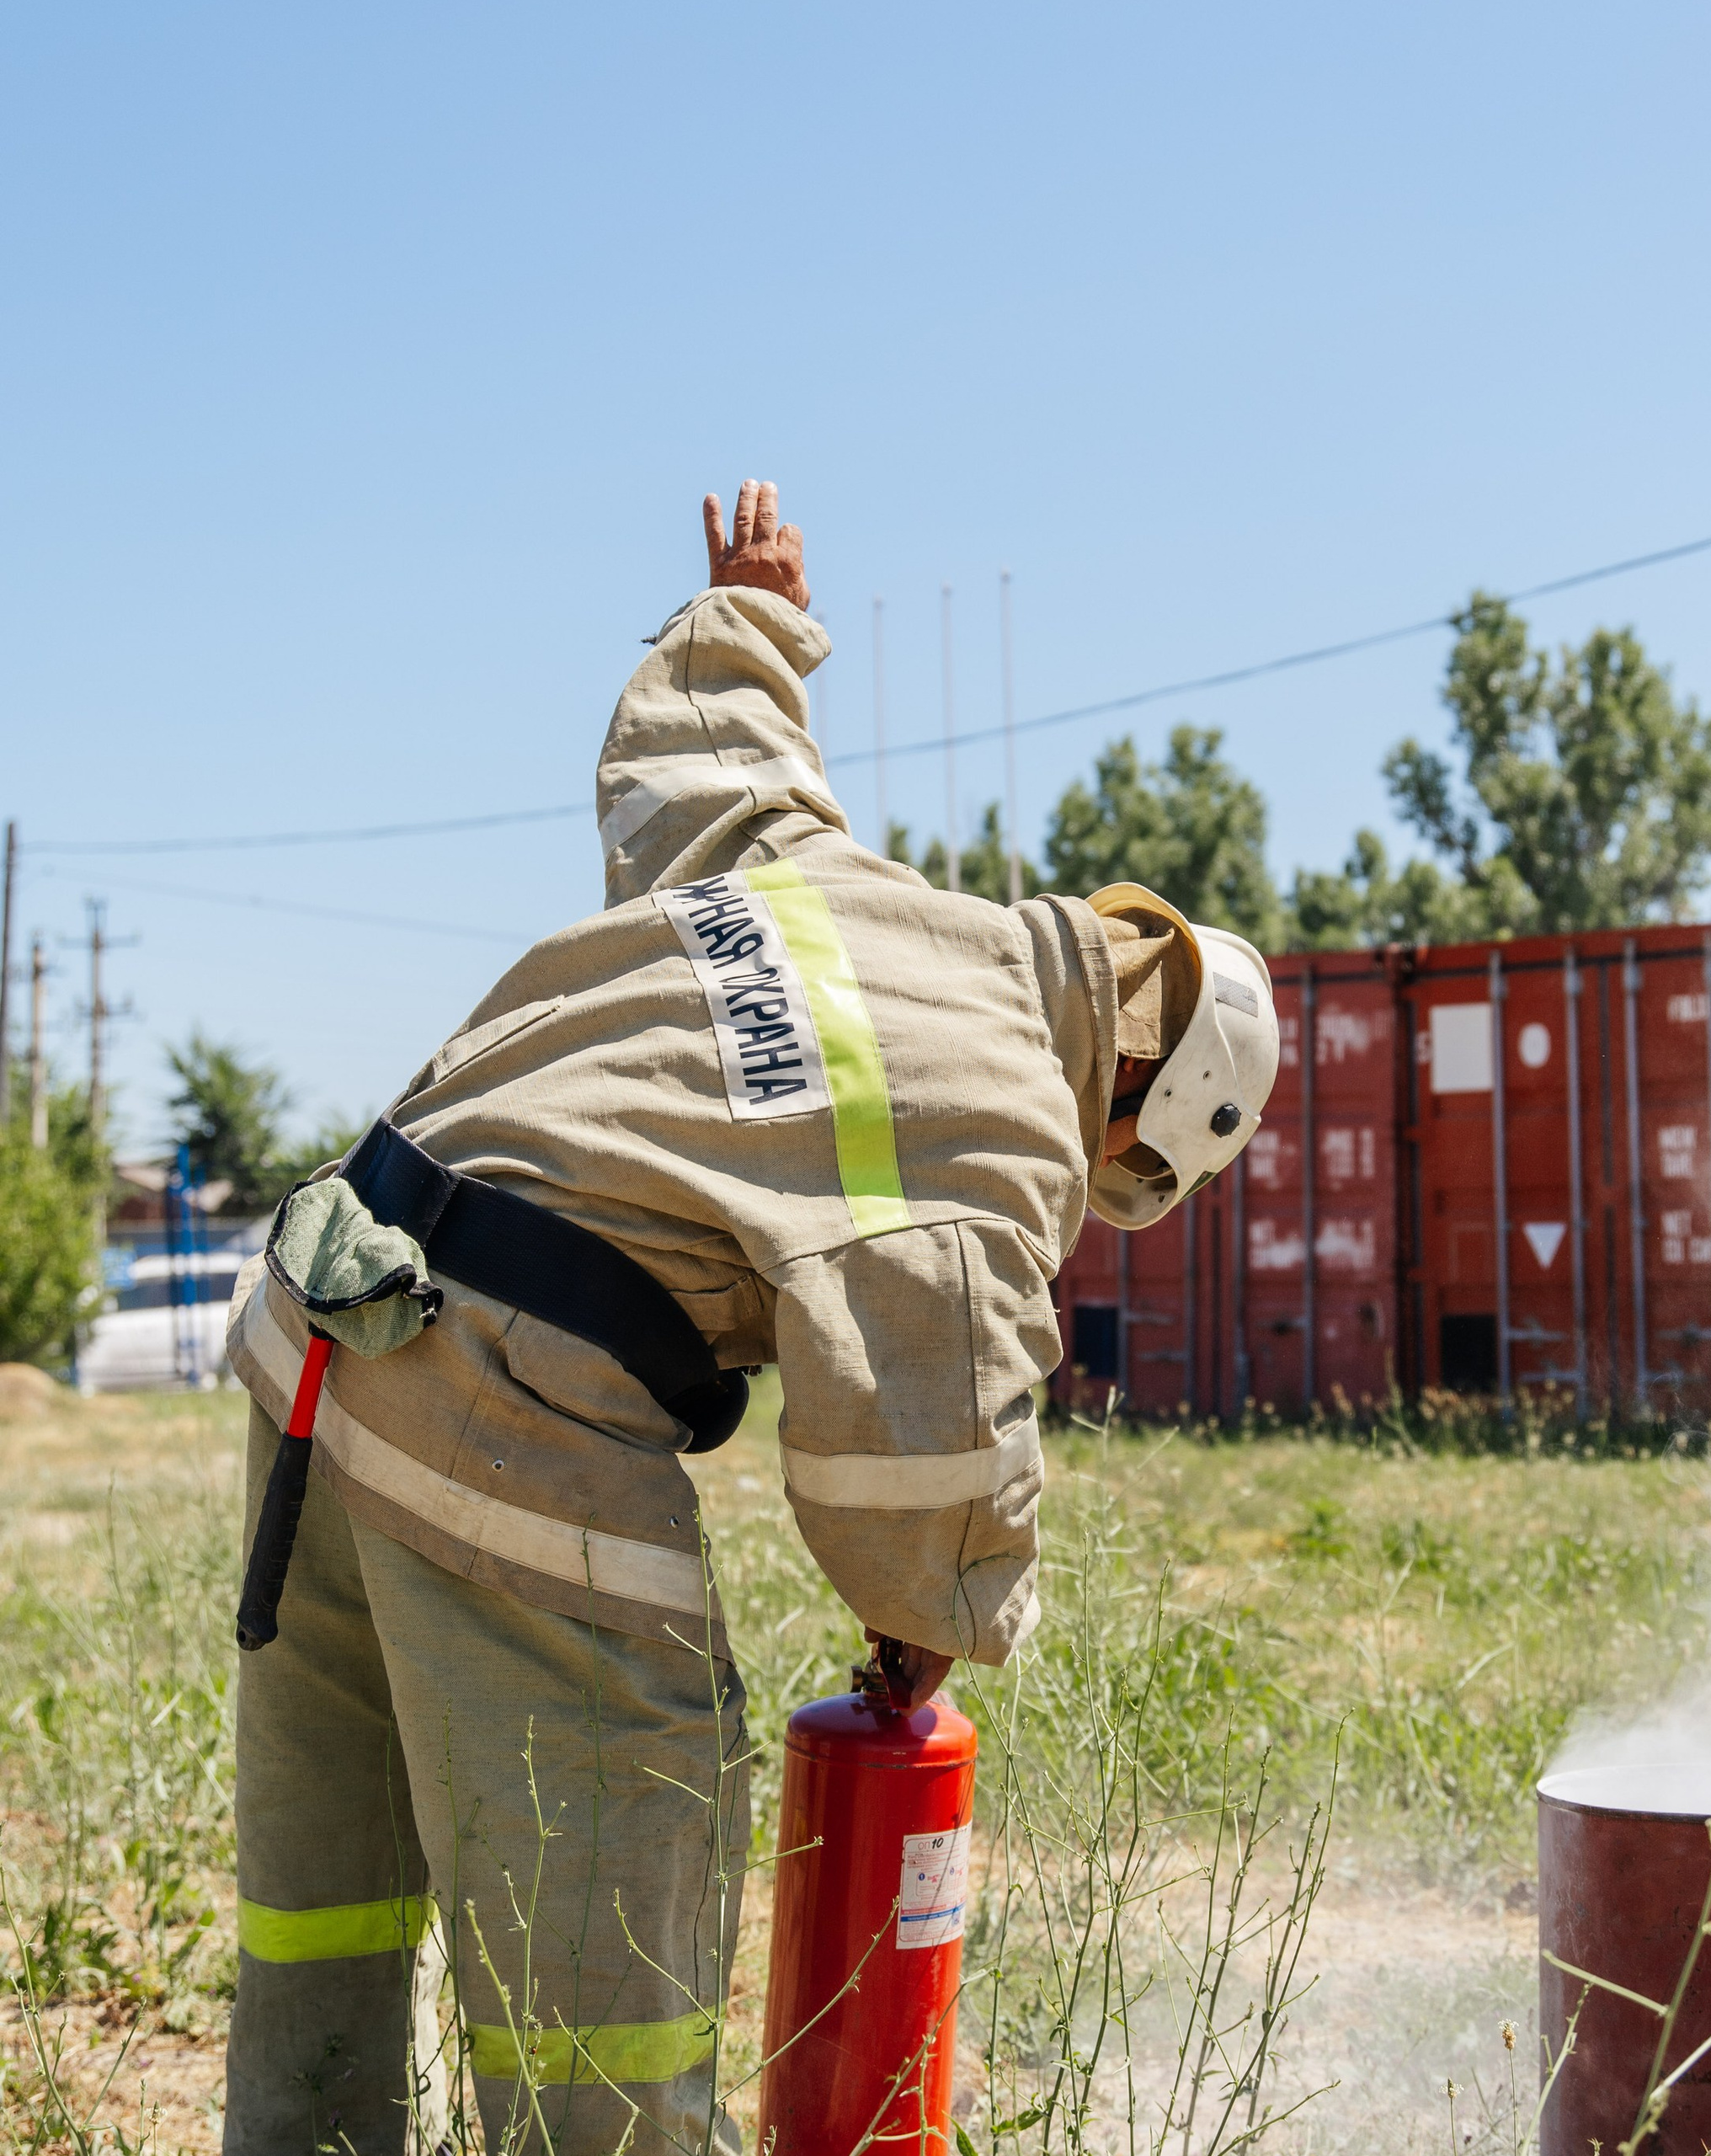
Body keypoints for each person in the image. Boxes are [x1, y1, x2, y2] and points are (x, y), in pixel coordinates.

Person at [221, 482, 1280, 2153]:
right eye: (1121, 1168)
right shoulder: (1005, 1106)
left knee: (330, 1896)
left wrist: (753, 613)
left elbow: (704, 750)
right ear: (1139, 1094)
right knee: (618, 1843)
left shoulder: (834, 885)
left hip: (321, 1310)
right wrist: (930, 1619)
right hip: (500, 1391)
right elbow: (923, 1453)